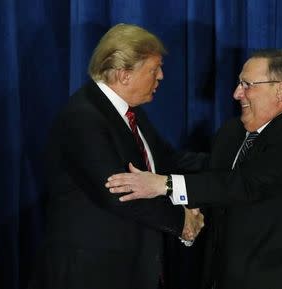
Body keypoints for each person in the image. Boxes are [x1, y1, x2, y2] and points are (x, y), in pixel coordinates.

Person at [105, 49, 282, 289]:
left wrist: (164, 184)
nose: (236, 93)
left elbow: (245, 184)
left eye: (247, 85)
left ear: (280, 90)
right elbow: (215, 180)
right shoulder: (232, 133)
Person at [30, 24, 206, 289]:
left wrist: (230, 164)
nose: (161, 76)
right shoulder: (83, 118)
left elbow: (169, 161)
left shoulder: (130, 113)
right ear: (124, 75)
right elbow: (120, 193)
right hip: (91, 273)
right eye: (153, 69)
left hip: (130, 269)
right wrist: (182, 221)